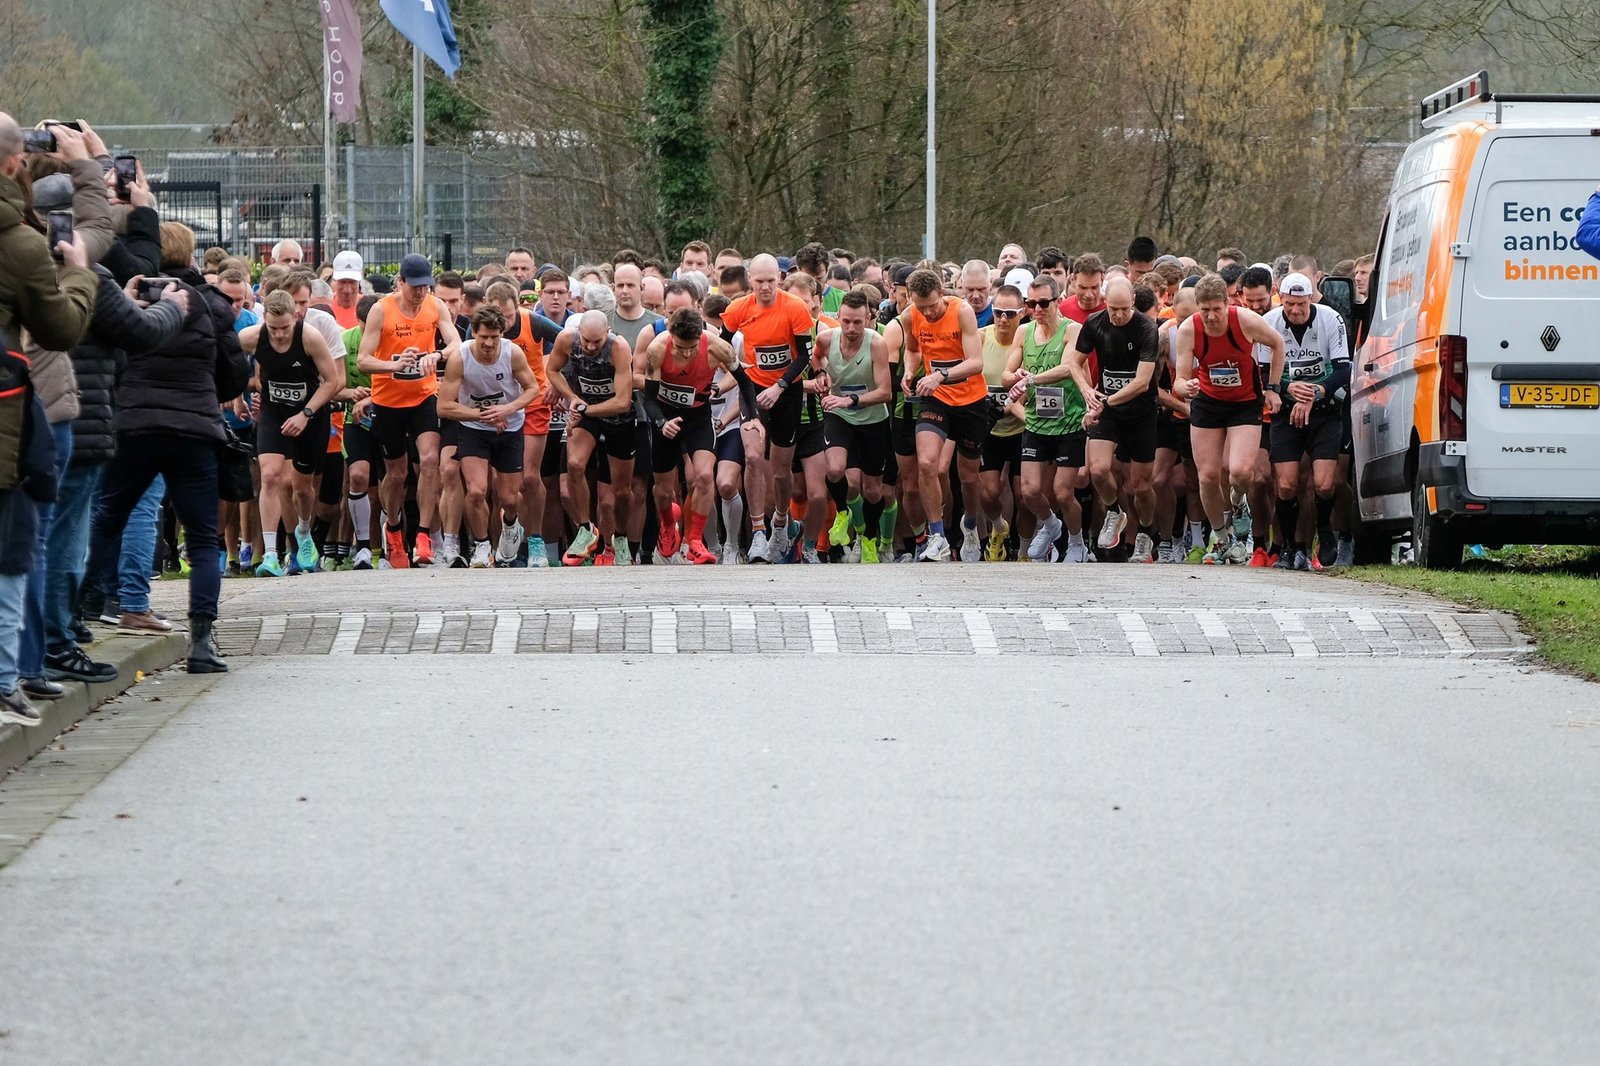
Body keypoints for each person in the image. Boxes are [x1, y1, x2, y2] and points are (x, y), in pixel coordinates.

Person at [85, 222, 248, 673]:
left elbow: (113, 358)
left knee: (108, 516)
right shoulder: (213, 305)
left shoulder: (127, 297)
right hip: (195, 430)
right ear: (192, 255)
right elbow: (233, 375)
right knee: (199, 537)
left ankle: (82, 610)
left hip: (135, 424)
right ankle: (200, 642)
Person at [356, 253, 462, 568]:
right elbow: (363, 360)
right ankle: (393, 527)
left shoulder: (435, 305)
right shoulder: (381, 310)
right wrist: (395, 364)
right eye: (414, 287)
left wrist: (437, 355)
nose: (420, 294)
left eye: (425, 287)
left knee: (430, 460)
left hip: (423, 396)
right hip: (388, 401)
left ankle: (424, 535)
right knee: (397, 474)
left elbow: (457, 343)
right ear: (400, 282)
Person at [1173, 273, 1286, 566]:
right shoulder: (1189, 329)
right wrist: (1186, 387)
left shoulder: (1245, 321)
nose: (1210, 316)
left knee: (1240, 472)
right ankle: (1222, 538)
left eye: (1216, 309)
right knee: (1208, 476)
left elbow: (1278, 344)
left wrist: (1273, 388)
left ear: (1227, 304)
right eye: (1204, 310)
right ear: (1197, 306)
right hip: (1208, 403)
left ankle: (1237, 504)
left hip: (1245, 403)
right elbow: (1180, 380)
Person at [238, 290, 345, 577]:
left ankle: (303, 529)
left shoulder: (309, 336)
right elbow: (229, 361)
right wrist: (238, 395)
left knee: (302, 487)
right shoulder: (252, 337)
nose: (280, 335)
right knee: (271, 476)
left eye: (285, 328)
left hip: (310, 415)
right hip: (274, 413)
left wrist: (305, 414)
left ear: (295, 318)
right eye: (273, 329)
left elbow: (332, 381)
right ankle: (272, 554)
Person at [721, 253, 813, 562]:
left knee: (781, 469)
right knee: (753, 455)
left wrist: (780, 386)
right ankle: (758, 531)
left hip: (787, 389)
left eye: (771, 281)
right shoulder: (737, 309)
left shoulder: (795, 308)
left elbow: (804, 357)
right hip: (753, 388)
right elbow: (721, 345)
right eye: (759, 282)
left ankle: (782, 522)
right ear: (750, 281)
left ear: (781, 279)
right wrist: (736, 367)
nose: (765, 288)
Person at [437, 305, 543, 567]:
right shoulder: (461, 357)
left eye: (494, 337)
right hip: (475, 428)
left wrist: (507, 408)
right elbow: (444, 406)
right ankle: (482, 545)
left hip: (510, 426)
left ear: (501, 335)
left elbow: (532, 389)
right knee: (476, 491)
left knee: (508, 497)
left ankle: (510, 526)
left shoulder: (512, 353)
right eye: (483, 336)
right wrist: (481, 415)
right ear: (474, 333)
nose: (488, 343)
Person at [1070, 276, 1162, 562]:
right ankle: (1113, 511)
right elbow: (1074, 362)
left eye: (1124, 309)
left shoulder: (1147, 329)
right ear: (1105, 304)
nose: (1119, 316)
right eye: (1113, 310)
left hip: (1141, 411)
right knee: (1098, 470)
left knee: (1140, 485)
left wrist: (1104, 401)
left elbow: (1141, 382)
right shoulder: (1095, 323)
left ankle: (1146, 532)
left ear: (1133, 303)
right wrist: (1087, 390)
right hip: (1108, 408)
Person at [1263, 273, 1350, 570]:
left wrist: (1316, 391)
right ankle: (1288, 546)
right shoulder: (1270, 321)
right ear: (1280, 298)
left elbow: (1343, 369)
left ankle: (1324, 529)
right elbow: (1260, 370)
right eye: (1289, 304)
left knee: (1325, 484)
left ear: (1311, 298)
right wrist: (1285, 388)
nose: (1296, 311)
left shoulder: (1330, 319)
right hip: (1286, 411)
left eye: (1301, 304)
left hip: (1324, 409)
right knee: (1286, 485)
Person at [641, 308, 741, 565]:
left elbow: (745, 381)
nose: (685, 354)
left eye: (691, 348)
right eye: (680, 348)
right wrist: (662, 422)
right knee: (663, 490)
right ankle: (666, 524)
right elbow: (649, 398)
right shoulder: (657, 348)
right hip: (666, 418)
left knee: (705, 476)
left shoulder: (718, 346)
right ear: (670, 334)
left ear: (701, 336)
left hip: (697, 418)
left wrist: (752, 420)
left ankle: (694, 540)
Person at [900, 267, 986, 563]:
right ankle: (937, 535)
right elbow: (912, 350)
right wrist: (910, 370)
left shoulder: (961, 311)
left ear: (943, 294)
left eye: (933, 306)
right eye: (921, 307)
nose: (928, 313)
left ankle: (971, 526)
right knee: (927, 464)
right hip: (935, 399)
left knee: (969, 475)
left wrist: (941, 374)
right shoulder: (911, 315)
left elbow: (976, 363)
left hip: (971, 400)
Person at [546, 311, 637, 565]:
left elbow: (622, 401)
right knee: (575, 464)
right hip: (586, 410)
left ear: (607, 333)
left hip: (617, 417)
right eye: (586, 340)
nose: (590, 346)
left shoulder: (618, 348)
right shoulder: (567, 339)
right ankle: (586, 528)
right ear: (579, 334)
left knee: (620, 491)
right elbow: (552, 370)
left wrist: (583, 408)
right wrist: (572, 398)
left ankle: (620, 537)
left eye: (596, 342)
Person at [817, 290, 893, 562]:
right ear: (838, 318)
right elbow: (816, 359)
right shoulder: (826, 339)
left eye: (858, 322)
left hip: (873, 420)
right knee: (836, 470)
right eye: (846, 321)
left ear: (869, 319)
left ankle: (870, 539)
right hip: (840, 416)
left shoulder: (877, 344)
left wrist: (851, 399)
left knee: (873, 490)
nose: (851, 328)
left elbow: (886, 392)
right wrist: (821, 374)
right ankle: (841, 511)